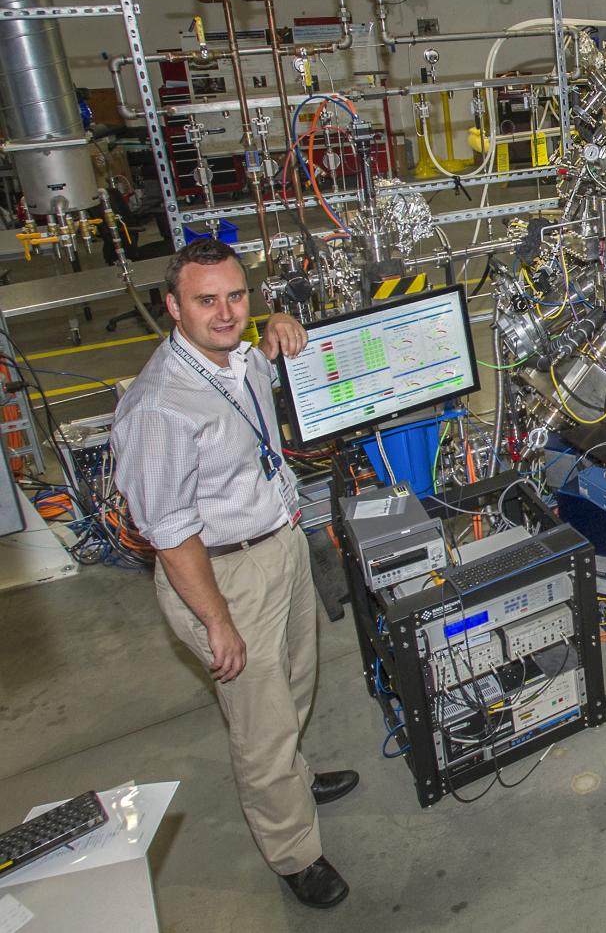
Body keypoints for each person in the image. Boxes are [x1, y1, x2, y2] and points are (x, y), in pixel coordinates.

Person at [113, 239, 357, 909]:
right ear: (172, 307)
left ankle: (295, 778)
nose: (224, 313)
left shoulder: (239, 357)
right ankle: (293, 851)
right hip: (220, 576)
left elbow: (259, 368)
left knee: (296, 682)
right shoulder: (160, 406)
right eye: (205, 300)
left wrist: (279, 324)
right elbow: (169, 531)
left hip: (278, 546)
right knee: (261, 721)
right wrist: (215, 618)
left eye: (235, 297)